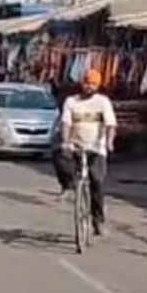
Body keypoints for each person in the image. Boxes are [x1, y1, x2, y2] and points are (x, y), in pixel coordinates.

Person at [54, 69, 117, 235]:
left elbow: (111, 124)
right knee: (59, 154)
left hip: (96, 148)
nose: (89, 86)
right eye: (87, 83)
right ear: (82, 83)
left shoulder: (103, 102)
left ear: (97, 86)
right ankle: (68, 186)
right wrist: (66, 141)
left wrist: (109, 141)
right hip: (76, 145)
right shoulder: (71, 101)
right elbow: (66, 123)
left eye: (93, 84)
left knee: (97, 182)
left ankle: (98, 221)